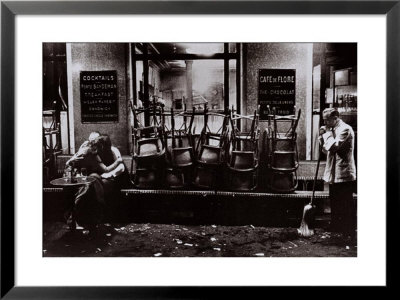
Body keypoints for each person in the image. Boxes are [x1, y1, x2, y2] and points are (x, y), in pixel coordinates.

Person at [319, 108, 357, 240]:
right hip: (334, 172)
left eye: (327, 119)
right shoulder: (333, 130)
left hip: (344, 172)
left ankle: (349, 231)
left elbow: (334, 147)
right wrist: (322, 139)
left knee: (345, 203)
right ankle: (336, 225)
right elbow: (326, 150)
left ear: (335, 118)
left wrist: (327, 134)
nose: (324, 122)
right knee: (335, 200)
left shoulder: (345, 129)